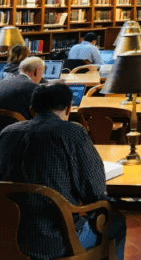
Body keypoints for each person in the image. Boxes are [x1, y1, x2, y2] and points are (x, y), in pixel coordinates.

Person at [0, 83, 127, 260]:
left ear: (32, 110)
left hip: (7, 239)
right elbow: (95, 192)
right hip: (57, 244)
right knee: (116, 221)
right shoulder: (72, 133)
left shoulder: (6, 133)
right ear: (68, 108)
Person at [0, 56, 44, 121]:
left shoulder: (2, 82)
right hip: (22, 129)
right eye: (42, 73)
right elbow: (43, 116)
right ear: (37, 71)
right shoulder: (34, 88)